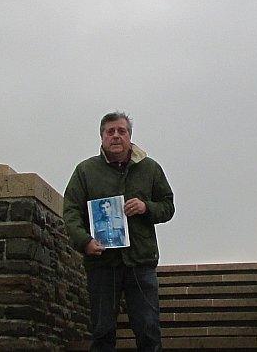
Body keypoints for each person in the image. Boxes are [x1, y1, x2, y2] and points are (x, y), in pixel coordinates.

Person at [63, 112, 175, 352]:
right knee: (102, 331)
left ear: (130, 137)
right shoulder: (85, 170)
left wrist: (147, 207)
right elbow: (71, 210)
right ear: (102, 137)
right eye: (110, 131)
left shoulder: (150, 168)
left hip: (140, 261)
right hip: (102, 263)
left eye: (121, 131)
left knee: (148, 328)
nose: (115, 136)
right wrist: (84, 241)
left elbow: (168, 206)